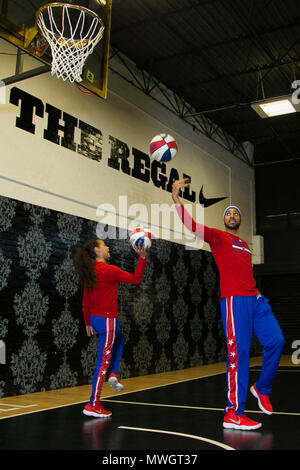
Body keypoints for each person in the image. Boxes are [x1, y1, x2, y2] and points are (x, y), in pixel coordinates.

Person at [172, 178, 284, 431]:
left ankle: (261, 388)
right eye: (228, 213)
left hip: (255, 299)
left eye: (236, 213)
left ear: (240, 220)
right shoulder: (218, 237)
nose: (232, 215)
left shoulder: (245, 244)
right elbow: (192, 226)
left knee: (276, 341)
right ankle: (233, 412)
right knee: (239, 355)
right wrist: (176, 199)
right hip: (235, 301)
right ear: (224, 220)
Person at [74, 238, 147, 418]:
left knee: (120, 339)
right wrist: (142, 257)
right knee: (102, 363)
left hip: (95, 320)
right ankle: (93, 403)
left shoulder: (90, 271)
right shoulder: (108, 270)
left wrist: (88, 322)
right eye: (104, 245)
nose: (107, 247)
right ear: (98, 251)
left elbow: (86, 299)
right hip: (107, 321)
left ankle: (113, 373)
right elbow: (136, 279)